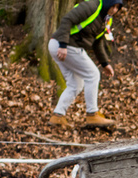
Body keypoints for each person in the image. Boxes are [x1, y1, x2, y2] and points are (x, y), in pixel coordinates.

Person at [48, 0, 123, 128]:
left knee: (75, 84)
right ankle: (92, 114)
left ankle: (57, 116)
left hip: (61, 46)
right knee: (92, 75)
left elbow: (97, 42)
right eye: (113, 6)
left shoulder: (106, 19)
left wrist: (105, 64)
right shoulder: (91, 6)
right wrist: (63, 45)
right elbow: (67, 20)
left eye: (117, 8)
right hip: (64, 46)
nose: (114, 10)